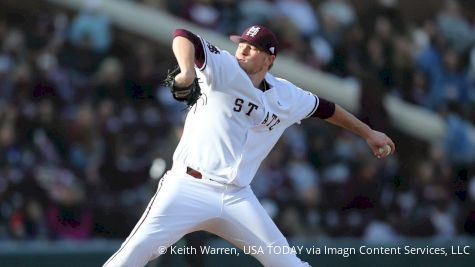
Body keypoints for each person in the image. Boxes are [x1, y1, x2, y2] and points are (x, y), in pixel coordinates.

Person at [103, 25, 395, 267]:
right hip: (187, 187)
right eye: (241, 43)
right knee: (129, 258)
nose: (241, 50)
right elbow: (183, 35)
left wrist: (368, 133)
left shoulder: (286, 95)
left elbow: (326, 108)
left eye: (251, 47)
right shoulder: (225, 68)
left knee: (289, 264)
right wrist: (187, 72)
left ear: (269, 59)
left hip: (237, 197)